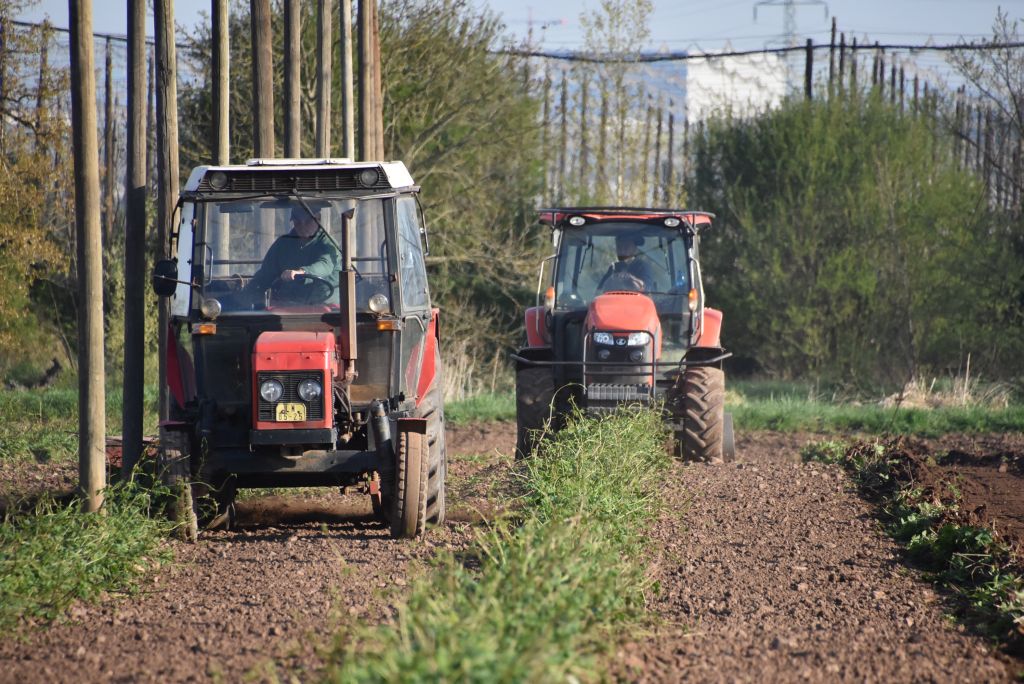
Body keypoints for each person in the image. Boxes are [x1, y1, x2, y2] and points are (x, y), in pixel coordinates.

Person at [241, 202, 341, 305]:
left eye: (308, 221)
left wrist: (302, 272)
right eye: (297, 222)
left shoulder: (328, 244)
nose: (302, 226)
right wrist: (245, 294)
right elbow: (266, 273)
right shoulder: (283, 244)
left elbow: (325, 265)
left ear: (318, 218)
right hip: (290, 309)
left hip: (325, 311)